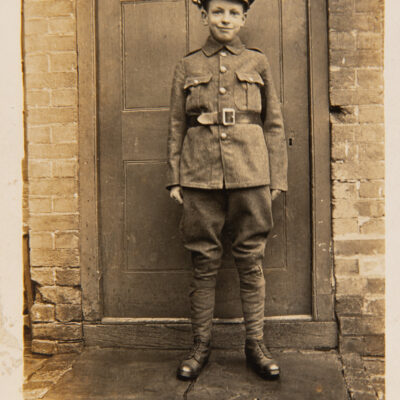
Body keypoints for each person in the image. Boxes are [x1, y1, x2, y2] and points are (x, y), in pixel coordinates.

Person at [166, 0, 288, 381]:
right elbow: (175, 125)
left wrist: (276, 178)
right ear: (204, 16)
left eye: (234, 13)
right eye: (217, 11)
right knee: (203, 262)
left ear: (244, 19)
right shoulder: (187, 65)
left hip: (251, 174)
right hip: (199, 176)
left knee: (251, 259)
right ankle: (200, 347)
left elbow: (274, 125)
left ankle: (256, 345)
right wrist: (174, 177)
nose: (225, 19)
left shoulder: (257, 62)